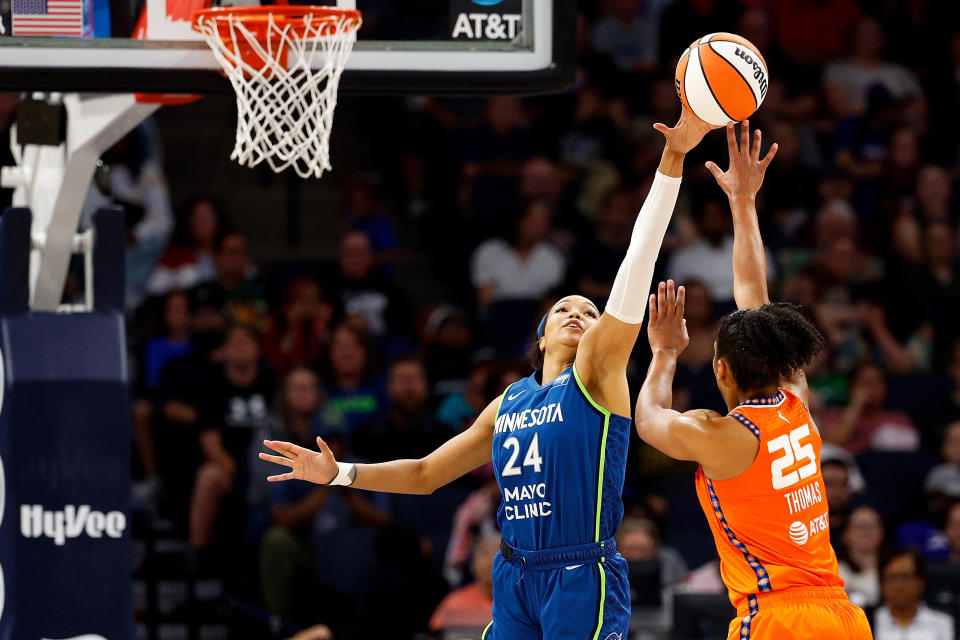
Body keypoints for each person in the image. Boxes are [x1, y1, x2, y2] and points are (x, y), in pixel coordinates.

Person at [260, 105, 715, 639]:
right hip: (513, 571)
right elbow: (428, 474)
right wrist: (339, 474)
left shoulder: (596, 377)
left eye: (590, 312)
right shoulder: (509, 403)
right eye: (564, 308)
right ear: (541, 335)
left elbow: (637, 261)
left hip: (578, 572)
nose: (578, 313)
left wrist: (672, 159)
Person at [634, 121, 872, 639]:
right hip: (842, 616)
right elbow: (755, 298)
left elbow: (649, 421)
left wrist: (664, 353)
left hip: (778, 617)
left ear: (720, 370)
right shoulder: (796, 401)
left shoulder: (723, 437)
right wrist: (743, 201)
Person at [873, 549, 954, 640]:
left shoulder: (944, 623)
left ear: (921, 582)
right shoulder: (867, 622)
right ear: (881, 582)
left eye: (906, 577)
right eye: (891, 578)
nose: (899, 585)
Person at [428, 534, 499, 636]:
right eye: (485, 553)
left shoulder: (523, 602)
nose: (491, 561)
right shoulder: (454, 602)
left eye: (498, 552)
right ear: (472, 565)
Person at [837, 505, 885, 608]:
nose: (866, 532)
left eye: (872, 526)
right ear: (846, 533)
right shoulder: (834, 570)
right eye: (860, 526)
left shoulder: (893, 569)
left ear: (882, 532)